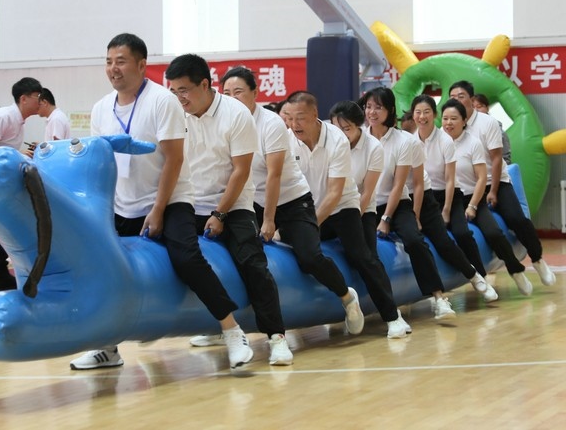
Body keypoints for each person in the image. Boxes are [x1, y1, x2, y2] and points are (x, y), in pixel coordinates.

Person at [69, 35, 255, 371]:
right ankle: (107, 347)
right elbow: (102, 164)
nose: (113, 68)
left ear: (141, 65)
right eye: (109, 61)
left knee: (187, 258)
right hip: (122, 203)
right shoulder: (101, 108)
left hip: (171, 200)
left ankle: (231, 330)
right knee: (102, 267)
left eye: (121, 61)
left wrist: (157, 209)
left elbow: (174, 158)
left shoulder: (162, 101)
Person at [166, 53, 293, 365]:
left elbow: (241, 170)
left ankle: (277, 337)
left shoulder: (236, 114)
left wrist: (220, 213)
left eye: (184, 90)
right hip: (188, 201)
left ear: (204, 84)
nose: (179, 98)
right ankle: (214, 325)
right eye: (174, 91)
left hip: (233, 204)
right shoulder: (174, 114)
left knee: (252, 263)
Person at [219, 67, 364, 339]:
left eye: (238, 92)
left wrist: (269, 220)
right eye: (226, 93)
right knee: (232, 253)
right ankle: (223, 320)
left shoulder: (270, 124)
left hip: (292, 201)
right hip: (253, 200)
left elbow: (273, 175)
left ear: (254, 93)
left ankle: (347, 297)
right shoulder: (224, 124)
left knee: (309, 257)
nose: (231, 98)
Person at [287, 92, 411, 338]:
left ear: (314, 114)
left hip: (344, 206)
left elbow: (335, 193)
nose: (294, 124)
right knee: (301, 253)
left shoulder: (337, 140)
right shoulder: (289, 139)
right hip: (311, 207)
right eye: (289, 118)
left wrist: (311, 225)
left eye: (299, 118)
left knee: (362, 256)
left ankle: (393, 316)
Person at [360, 87, 456, 320]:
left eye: (378, 107)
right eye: (368, 107)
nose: (372, 112)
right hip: (365, 203)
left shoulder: (404, 141)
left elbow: (398, 185)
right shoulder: (359, 137)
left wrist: (386, 219)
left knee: (414, 241)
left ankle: (439, 298)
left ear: (390, 110)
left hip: (397, 203)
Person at [448, 80, 555, 287]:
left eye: (461, 96)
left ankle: (538, 259)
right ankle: (514, 269)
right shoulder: (450, 126)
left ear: (471, 99)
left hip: (495, 181)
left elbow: (497, 158)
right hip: (470, 188)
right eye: (452, 97)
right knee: (491, 232)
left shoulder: (488, 123)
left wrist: (494, 190)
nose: (456, 100)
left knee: (517, 219)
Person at [439, 98, 533, 295]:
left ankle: (516, 270)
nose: (448, 123)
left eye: (454, 118)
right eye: (445, 118)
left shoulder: (473, 143)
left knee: (493, 233)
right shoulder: (438, 141)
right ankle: (480, 279)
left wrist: (473, 206)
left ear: (464, 120)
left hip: (473, 197)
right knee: (460, 235)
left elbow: (482, 178)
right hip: (449, 199)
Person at [411, 95, 497, 302]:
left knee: (461, 233)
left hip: (449, 195)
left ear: (434, 115)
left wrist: (447, 210)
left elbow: (450, 179)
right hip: (423, 196)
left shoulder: (445, 140)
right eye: (418, 112)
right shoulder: (411, 141)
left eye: (427, 112)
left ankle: (479, 277)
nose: (422, 117)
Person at [0, 76, 43, 291]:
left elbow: (4, 147)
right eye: (37, 97)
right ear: (24, 98)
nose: (40, 101)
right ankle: (0, 272)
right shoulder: (4, 117)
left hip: (4, 183)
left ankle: (3, 272)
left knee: (5, 227)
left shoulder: (18, 120)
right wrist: (17, 154)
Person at [327, 101, 384, 259]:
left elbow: (367, 192)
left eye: (346, 129)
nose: (340, 135)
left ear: (359, 125)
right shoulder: (329, 143)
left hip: (361, 209)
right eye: (336, 129)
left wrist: (353, 225)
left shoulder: (374, 148)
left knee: (367, 256)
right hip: (331, 208)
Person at [472, 93, 511, 164]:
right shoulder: (467, 130)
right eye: (472, 107)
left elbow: (505, 157)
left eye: (479, 106)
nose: (476, 110)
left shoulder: (497, 128)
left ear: (487, 108)